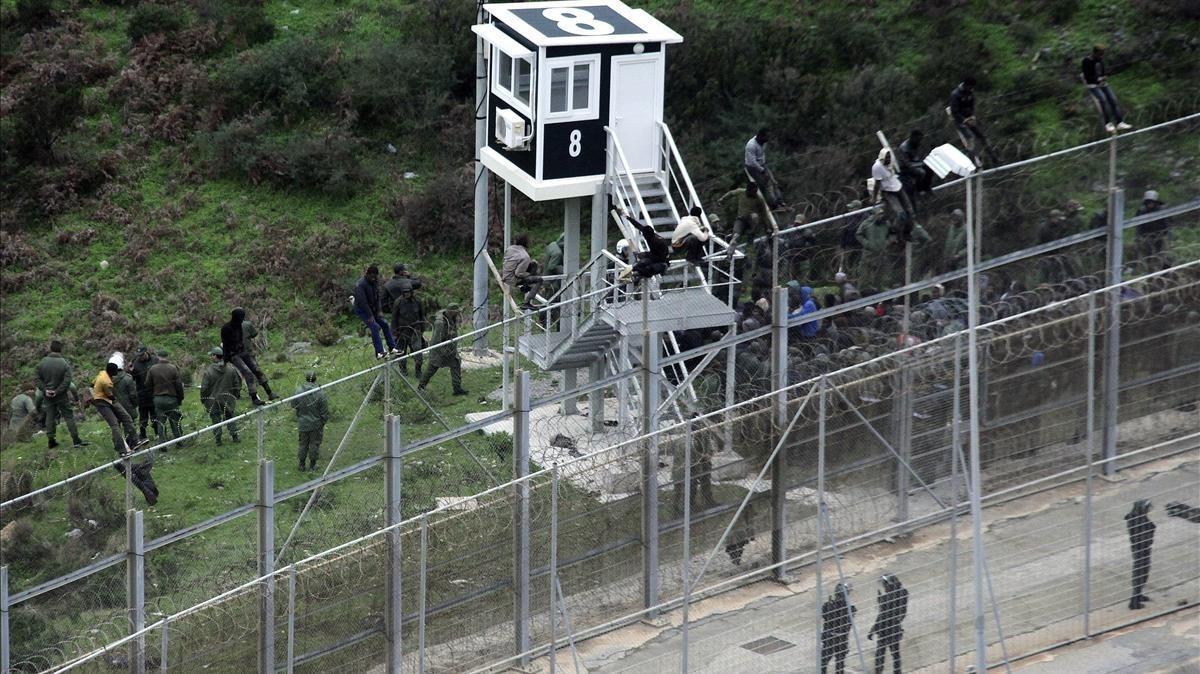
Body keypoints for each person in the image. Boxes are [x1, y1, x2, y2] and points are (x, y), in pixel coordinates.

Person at [35, 340, 88, 449]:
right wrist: (58, 391)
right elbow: (67, 381)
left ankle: (51, 441)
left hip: (47, 395)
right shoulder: (64, 363)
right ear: (60, 350)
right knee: (69, 416)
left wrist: (45, 390)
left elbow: (37, 379)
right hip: (61, 395)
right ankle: (76, 440)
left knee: (50, 416)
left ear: (51, 349)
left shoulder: (42, 362)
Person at [221, 308, 276, 405]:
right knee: (248, 373)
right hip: (233, 355)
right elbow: (225, 345)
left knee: (256, 369)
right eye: (240, 318)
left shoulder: (239, 326)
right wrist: (226, 360)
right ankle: (254, 398)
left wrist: (243, 351)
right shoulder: (226, 329)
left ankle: (270, 392)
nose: (242, 320)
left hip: (242, 352)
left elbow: (241, 340)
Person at [418, 303, 469, 396]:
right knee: (432, 368)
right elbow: (437, 340)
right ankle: (421, 386)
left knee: (456, 364)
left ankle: (457, 389)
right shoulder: (440, 323)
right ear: (451, 312)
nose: (458, 314)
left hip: (450, 348)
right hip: (439, 350)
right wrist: (443, 352)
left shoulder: (451, 318)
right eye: (457, 312)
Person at [949, 76, 1000, 166]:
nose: (971, 89)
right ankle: (972, 162)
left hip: (970, 119)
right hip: (960, 121)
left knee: (982, 136)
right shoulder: (955, 94)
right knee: (970, 138)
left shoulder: (970, 93)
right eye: (970, 87)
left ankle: (994, 158)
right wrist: (964, 120)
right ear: (966, 85)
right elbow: (955, 112)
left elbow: (972, 106)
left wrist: (972, 116)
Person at [91, 360, 140, 455]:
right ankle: (122, 449)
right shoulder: (107, 382)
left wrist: (95, 391)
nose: (117, 373)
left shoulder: (102, 373)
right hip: (103, 402)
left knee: (126, 417)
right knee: (115, 425)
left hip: (105, 398)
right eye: (115, 371)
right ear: (112, 372)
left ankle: (136, 440)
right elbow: (110, 396)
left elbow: (92, 384)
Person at [351, 266, 400, 359]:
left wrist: (379, 310)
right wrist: (370, 316)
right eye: (372, 276)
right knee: (375, 327)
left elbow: (377, 297)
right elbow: (362, 303)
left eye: (375, 277)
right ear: (367, 274)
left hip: (372, 308)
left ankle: (392, 347)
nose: (374, 278)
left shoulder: (374, 282)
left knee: (385, 324)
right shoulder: (360, 285)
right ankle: (379, 352)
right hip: (362, 310)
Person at [1082, 45, 1131, 133]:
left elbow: (1103, 71)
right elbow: (1087, 77)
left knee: (1113, 99)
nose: (1101, 56)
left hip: (1103, 84)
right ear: (1095, 53)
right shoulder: (1087, 61)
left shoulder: (1100, 60)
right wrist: (1098, 80)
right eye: (1100, 54)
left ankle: (1120, 122)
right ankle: (1108, 124)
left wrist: (1105, 76)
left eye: (1102, 54)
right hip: (1093, 85)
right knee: (1103, 100)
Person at [200, 347, 242, 445]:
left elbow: (204, 388)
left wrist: (203, 400)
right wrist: (234, 396)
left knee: (216, 420)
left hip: (213, 400)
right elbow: (237, 385)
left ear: (215, 356)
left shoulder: (208, 371)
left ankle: (218, 440)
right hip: (228, 399)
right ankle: (235, 436)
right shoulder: (231, 369)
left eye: (212, 355)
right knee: (230, 417)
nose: (211, 356)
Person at [871, 149, 917, 240]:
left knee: (910, 212)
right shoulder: (877, 167)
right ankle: (893, 230)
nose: (888, 159)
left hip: (897, 186)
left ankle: (907, 232)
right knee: (901, 214)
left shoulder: (891, 161)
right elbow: (877, 184)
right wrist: (874, 198)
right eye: (886, 157)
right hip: (888, 191)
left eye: (889, 157)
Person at [617, 210, 672, 284]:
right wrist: (628, 218)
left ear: (648, 236)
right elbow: (638, 226)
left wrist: (647, 259)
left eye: (644, 235)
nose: (643, 236)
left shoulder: (659, 242)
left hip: (662, 261)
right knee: (640, 259)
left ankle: (636, 275)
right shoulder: (649, 233)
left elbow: (662, 257)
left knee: (647, 267)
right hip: (653, 255)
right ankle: (634, 272)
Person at [867, 574, 908, 674]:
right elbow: (902, 613)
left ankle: (878, 672)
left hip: (884, 630)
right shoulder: (903, 594)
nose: (884, 587)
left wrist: (873, 629)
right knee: (895, 654)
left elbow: (882, 616)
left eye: (885, 585)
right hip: (895, 628)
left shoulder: (886, 599)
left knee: (880, 654)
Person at [390, 273, 427, 379]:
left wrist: (421, 330)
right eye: (404, 293)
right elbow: (394, 318)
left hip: (415, 331)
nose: (406, 294)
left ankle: (418, 371)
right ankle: (403, 371)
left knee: (418, 353)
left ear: (411, 292)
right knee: (401, 353)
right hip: (402, 331)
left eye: (408, 292)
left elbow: (422, 316)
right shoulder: (398, 302)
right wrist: (395, 332)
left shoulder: (418, 301)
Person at [291, 371, 329, 472]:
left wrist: (300, 413)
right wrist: (322, 422)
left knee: (303, 444)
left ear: (306, 378)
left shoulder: (298, 391)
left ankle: (301, 465)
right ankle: (312, 466)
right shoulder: (320, 393)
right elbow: (324, 411)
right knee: (314, 444)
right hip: (316, 424)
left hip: (303, 422)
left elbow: (293, 404)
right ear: (316, 379)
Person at [147, 351, 185, 444]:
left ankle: (162, 443)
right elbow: (179, 385)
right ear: (167, 356)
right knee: (175, 421)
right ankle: (179, 441)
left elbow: (147, 384)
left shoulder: (152, 369)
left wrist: (153, 395)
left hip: (158, 399)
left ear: (158, 356)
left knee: (160, 423)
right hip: (171, 399)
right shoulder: (173, 368)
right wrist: (180, 398)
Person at [821, 582, 858, 674]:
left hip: (830, 637)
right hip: (841, 638)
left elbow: (824, 616)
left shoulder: (828, 605)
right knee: (840, 662)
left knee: (824, 661)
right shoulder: (850, 608)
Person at [1125, 499, 1155, 609]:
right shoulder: (1136, 519)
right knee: (1139, 573)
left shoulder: (1139, 517)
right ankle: (1134, 602)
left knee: (1144, 572)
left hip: (1144, 548)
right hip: (1140, 549)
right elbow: (1140, 536)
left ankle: (1138, 595)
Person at [502, 234, 544, 311]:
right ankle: (527, 302)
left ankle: (526, 286)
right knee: (539, 279)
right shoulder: (525, 256)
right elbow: (518, 273)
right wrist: (530, 274)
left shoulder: (510, 249)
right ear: (527, 243)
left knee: (532, 264)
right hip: (512, 279)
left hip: (505, 275)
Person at [744, 128, 784, 208]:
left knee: (773, 182)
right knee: (764, 185)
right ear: (761, 136)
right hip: (753, 167)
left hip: (762, 164)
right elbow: (752, 162)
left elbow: (762, 154)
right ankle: (773, 205)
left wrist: (764, 166)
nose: (768, 139)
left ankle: (780, 201)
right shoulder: (751, 145)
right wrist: (762, 171)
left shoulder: (764, 143)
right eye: (766, 137)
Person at [896, 130, 933, 209]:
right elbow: (907, 164)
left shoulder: (915, 145)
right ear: (913, 138)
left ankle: (926, 187)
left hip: (915, 163)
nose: (920, 142)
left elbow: (917, 158)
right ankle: (919, 189)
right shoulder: (904, 148)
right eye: (918, 139)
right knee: (921, 172)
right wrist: (921, 164)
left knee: (929, 168)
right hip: (905, 169)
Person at [129, 345, 159, 440]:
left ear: (146, 352)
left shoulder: (155, 360)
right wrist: (130, 371)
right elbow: (131, 379)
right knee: (143, 417)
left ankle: (157, 433)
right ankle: (143, 435)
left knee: (155, 415)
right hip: (142, 394)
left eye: (141, 355)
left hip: (154, 393)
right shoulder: (135, 363)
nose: (140, 357)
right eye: (138, 355)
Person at [1135, 190, 1170, 261]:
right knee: (1148, 256)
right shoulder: (1142, 211)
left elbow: (1167, 223)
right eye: (1148, 202)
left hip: (1160, 235)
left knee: (1162, 254)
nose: (1150, 204)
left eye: (1151, 202)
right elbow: (1138, 225)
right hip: (1147, 236)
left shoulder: (1161, 209)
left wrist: (1165, 233)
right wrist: (1139, 236)